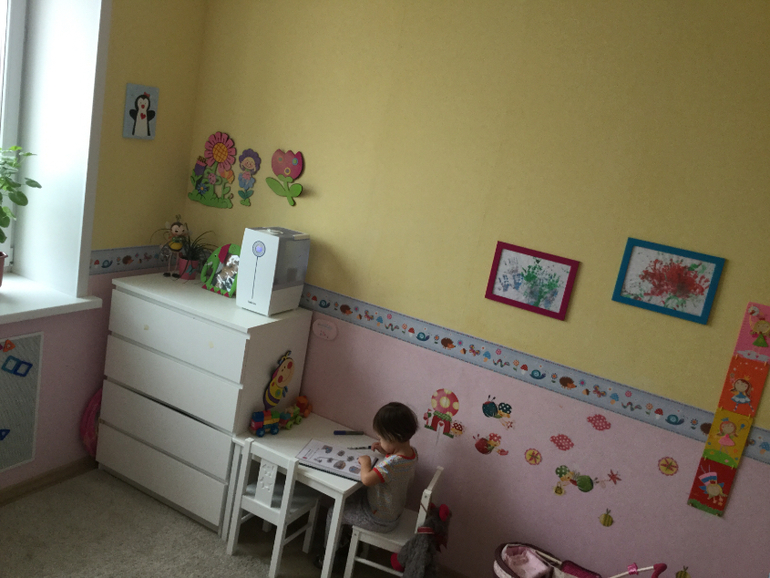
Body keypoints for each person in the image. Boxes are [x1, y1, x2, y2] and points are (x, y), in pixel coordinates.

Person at [315, 402, 419, 569]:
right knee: (349, 497)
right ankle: (344, 539)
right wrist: (385, 450)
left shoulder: (392, 464)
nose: (379, 441)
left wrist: (366, 463)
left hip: (379, 519)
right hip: (391, 510)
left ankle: (328, 556)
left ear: (393, 438)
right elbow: (395, 469)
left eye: (381, 438)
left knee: (334, 512)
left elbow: (367, 480)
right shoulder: (411, 453)